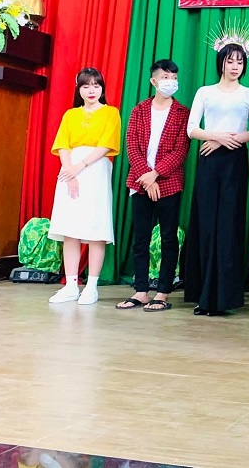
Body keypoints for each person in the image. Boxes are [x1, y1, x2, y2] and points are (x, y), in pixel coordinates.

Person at [185, 43, 249, 315]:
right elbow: (192, 128)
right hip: (208, 159)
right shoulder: (204, 92)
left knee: (229, 225)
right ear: (221, 63)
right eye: (230, 61)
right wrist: (215, 137)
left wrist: (227, 140)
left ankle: (225, 297)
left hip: (235, 161)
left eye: (239, 62)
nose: (235, 67)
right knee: (206, 224)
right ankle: (202, 294)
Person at [116, 59, 191, 313]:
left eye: (174, 77)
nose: (171, 82)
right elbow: (132, 145)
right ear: (154, 81)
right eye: (166, 77)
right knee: (141, 239)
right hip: (139, 182)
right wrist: (146, 177)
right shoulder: (139, 110)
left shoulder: (182, 113)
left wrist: (156, 174)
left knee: (169, 238)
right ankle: (140, 291)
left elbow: (181, 150)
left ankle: (162, 292)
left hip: (169, 183)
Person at [47, 68, 121, 305]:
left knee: (95, 228)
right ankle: (71, 285)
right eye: (86, 86)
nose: (91, 90)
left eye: (96, 85)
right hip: (69, 171)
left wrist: (80, 166)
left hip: (95, 169)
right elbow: (63, 145)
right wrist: (69, 170)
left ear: (102, 89)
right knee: (70, 229)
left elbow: (106, 145)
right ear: (78, 89)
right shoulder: (70, 115)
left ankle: (91, 287)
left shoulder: (111, 113)